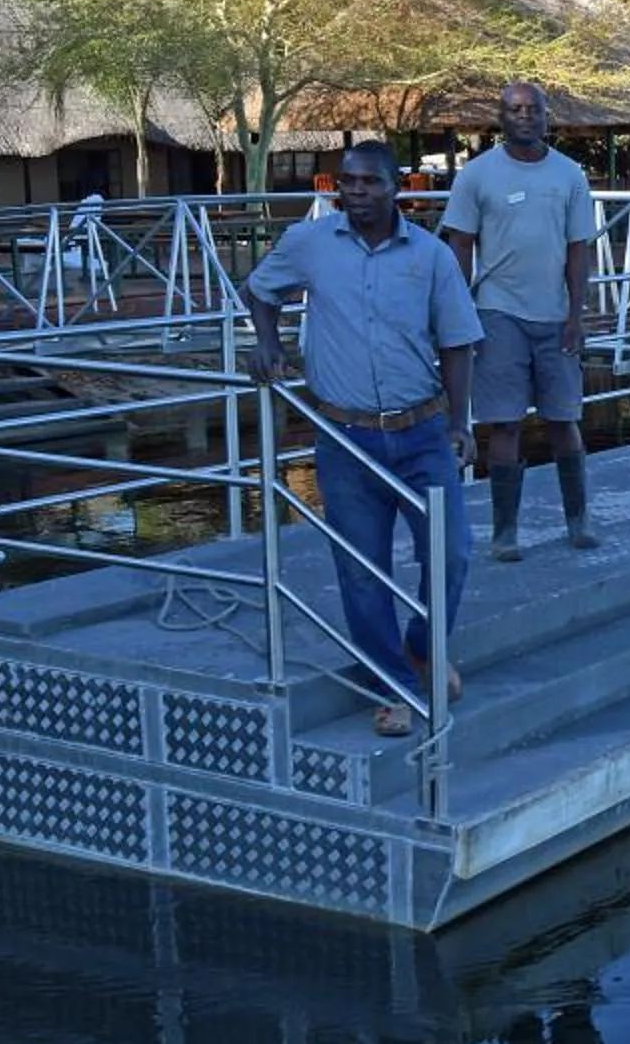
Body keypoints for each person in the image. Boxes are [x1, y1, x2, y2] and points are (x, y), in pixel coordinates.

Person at [243, 141, 480, 738]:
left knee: (451, 553)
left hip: (423, 430)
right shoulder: (310, 244)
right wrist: (266, 340)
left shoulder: (430, 257)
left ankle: (423, 647)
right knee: (359, 568)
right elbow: (260, 289)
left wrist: (459, 423)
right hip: (344, 435)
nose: (356, 193)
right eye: (347, 183)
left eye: (369, 183)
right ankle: (393, 686)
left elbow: (457, 343)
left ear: (394, 185)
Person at [441, 81, 603, 560]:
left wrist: (576, 314)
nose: (525, 116)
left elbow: (579, 249)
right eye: (515, 109)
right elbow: (460, 245)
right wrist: (459, 311)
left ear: (546, 116)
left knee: (563, 418)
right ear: (502, 117)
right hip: (497, 311)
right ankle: (505, 532)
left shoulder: (570, 175)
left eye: (533, 109)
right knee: (504, 423)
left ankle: (578, 520)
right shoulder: (476, 175)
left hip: (554, 313)